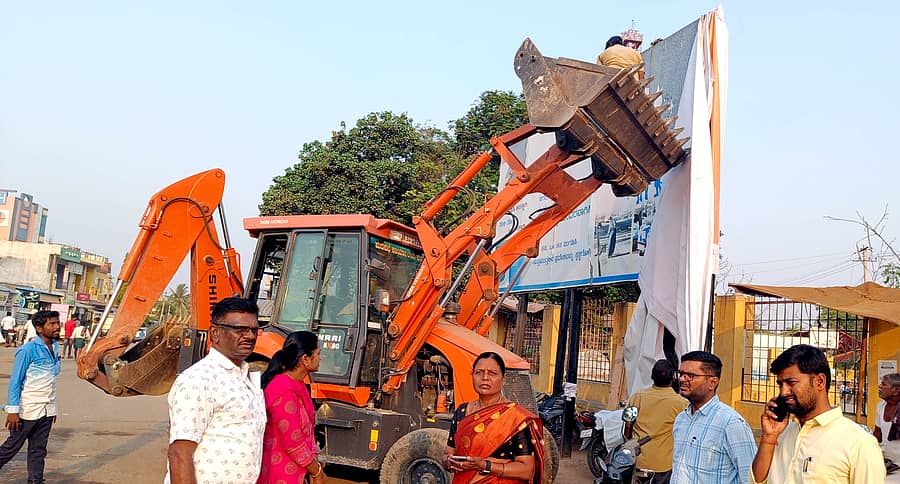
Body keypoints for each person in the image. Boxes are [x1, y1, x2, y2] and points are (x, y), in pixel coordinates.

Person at [165, 297, 266, 484]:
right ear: (215, 333)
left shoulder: (245, 377)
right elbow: (179, 453)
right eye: (240, 330)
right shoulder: (200, 379)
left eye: (253, 329)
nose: (250, 336)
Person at [751, 344, 884, 483]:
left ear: (819, 381)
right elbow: (757, 481)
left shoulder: (859, 443)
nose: (784, 392)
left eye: (791, 383)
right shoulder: (782, 433)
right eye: (780, 384)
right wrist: (768, 439)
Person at [443, 352, 545, 483]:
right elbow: (448, 452)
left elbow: (527, 470)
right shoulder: (462, 412)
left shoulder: (514, 418)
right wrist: (448, 462)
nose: (485, 377)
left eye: (492, 373)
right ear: (472, 376)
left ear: (503, 379)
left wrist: (485, 466)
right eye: (479, 372)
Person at [671, 351, 756, 484]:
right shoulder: (682, 419)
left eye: (690, 376)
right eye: (681, 374)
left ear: (712, 382)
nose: (682, 379)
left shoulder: (731, 423)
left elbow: (750, 478)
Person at [0, 310, 62, 484]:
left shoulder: (55, 346)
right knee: (11, 448)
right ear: (40, 328)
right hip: (27, 409)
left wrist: (52, 408)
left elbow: (49, 381)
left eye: (58, 323)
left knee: (38, 450)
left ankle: (36, 481)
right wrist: (13, 411)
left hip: (46, 410)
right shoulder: (27, 350)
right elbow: (15, 382)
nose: (57, 327)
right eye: (52, 324)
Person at [257, 331, 326, 484]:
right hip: (280, 472)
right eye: (318, 353)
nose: (321, 358)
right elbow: (293, 442)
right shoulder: (282, 390)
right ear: (306, 359)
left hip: (298, 470)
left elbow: (306, 431)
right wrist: (317, 471)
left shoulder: (298, 385)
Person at [625, 359, 687, 483]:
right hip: (664, 464)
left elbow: (628, 424)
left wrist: (628, 444)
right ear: (673, 378)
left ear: (652, 376)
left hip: (638, 460)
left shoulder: (637, 397)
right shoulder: (682, 403)